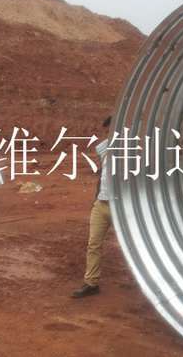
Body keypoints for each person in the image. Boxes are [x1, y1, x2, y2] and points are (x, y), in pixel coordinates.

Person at [73, 116, 112, 299]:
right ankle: (91, 283)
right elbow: (102, 173)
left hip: (122, 207)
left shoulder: (135, 149)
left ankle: (151, 283)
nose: (111, 133)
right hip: (102, 203)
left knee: (137, 245)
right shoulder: (104, 147)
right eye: (109, 130)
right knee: (93, 244)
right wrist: (96, 198)